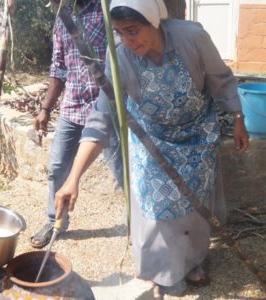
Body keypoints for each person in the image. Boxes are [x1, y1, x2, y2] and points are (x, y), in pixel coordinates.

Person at [53, 0, 249, 297]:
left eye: (133, 31)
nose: (129, 41)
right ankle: (163, 271)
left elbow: (221, 79)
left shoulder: (191, 37)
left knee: (195, 203)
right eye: (120, 33)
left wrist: (238, 118)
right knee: (156, 205)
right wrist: (73, 178)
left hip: (197, 132)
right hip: (151, 136)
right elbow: (102, 117)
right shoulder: (118, 56)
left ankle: (193, 261)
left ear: (154, 20)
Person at [30, 0, 123, 248]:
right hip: (72, 106)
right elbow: (59, 67)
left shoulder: (107, 9)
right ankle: (55, 221)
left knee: (123, 170)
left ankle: (142, 224)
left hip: (107, 108)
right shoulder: (63, 16)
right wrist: (45, 109)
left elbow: (125, 56)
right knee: (58, 167)